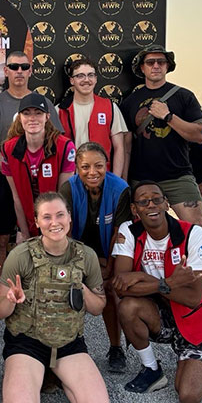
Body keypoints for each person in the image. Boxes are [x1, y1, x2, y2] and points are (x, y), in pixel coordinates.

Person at [0, 192, 109, 403]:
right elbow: (0, 310)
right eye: (46, 217)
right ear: (36, 222)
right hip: (27, 341)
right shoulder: (21, 256)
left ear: (69, 218)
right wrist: (11, 299)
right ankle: (38, 372)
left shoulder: (85, 256)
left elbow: (98, 307)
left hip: (68, 342)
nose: (54, 222)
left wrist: (80, 287)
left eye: (60, 215)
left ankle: (55, 372)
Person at [110, 181, 202, 403]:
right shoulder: (129, 231)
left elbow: (192, 299)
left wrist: (148, 280)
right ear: (135, 209)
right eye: (143, 201)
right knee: (128, 307)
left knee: (187, 397)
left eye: (157, 199)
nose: (151, 205)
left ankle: (196, 358)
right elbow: (120, 287)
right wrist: (169, 283)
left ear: (166, 204)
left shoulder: (192, 233)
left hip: (195, 320)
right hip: (160, 314)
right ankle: (152, 369)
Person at [0, 49, 63, 266]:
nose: (19, 71)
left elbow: (57, 141)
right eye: (14, 67)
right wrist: (14, 173)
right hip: (2, 179)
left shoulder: (44, 103)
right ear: (5, 71)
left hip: (43, 179)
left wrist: (31, 174)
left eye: (24, 67)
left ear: (31, 71)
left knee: (44, 233)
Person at [58, 142, 132, 373]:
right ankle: (67, 344)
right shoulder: (68, 189)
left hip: (109, 248)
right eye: (85, 166)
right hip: (77, 248)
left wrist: (108, 267)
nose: (92, 172)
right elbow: (65, 232)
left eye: (98, 166)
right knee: (68, 287)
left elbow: (119, 232)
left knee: (110, 289)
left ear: (106, 165)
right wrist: (77, 267)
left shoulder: (120, 188)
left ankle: (116, 346)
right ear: (77, 168)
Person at [119, 45, 202, 225]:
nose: (156, 66)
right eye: (150, 62)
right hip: (141, 178)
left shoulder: (184, 96)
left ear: (167, 66)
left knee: (195, 229)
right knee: (140, 233)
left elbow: (199, 136)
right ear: (142, 68)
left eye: (161, 62)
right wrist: (124, 181)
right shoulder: (130, 102)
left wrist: (168, 117)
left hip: (178, 176)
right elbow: (126, 146)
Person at [2, 93, 76, 241]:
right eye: (26, 113)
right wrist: (25, 235)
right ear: (19, 117)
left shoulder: (64, 146)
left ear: (47, 116)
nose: (32, 118)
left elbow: (62, 198)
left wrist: (55, 233)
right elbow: (16, 198)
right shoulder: (9, 148)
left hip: (56, 222)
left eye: (38, 113)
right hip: (27, 221)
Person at [57, 57, 127, 176]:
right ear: (72, 81)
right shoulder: (60, 110)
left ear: (95, 79)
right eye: (80, 76)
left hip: (102, 176)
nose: (86, 80)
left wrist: (115, 180)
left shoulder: (110, 107)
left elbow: (119, 147)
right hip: (72, 177)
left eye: (91, 75)